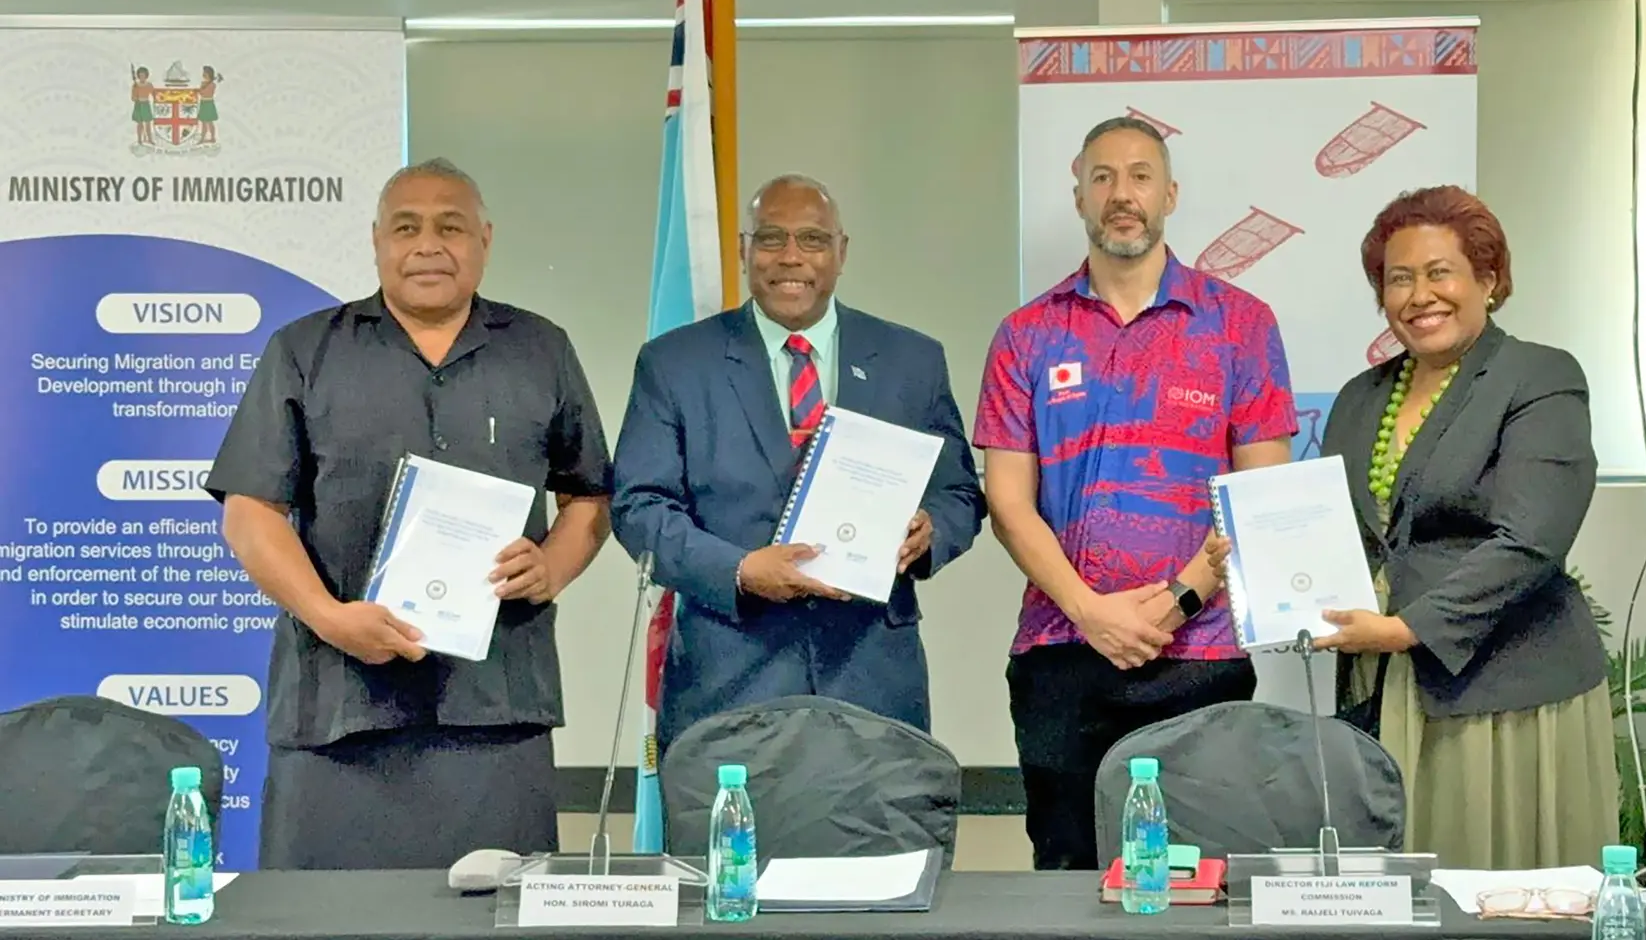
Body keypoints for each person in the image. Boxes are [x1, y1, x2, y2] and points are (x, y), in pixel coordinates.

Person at [205, 157, 614, 870]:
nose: (429, 245)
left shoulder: (541, 350)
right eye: (407, 227)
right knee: (321, 939)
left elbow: (590, 497)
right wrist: (332, 619)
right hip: (337, 710)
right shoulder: (303, 351)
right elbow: (250, 512)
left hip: (496, 713)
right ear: (376, 242)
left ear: (485, 238)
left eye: (450, 227)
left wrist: (552, 566)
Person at [1207, 184, 1618, 869]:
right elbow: (1337, 529)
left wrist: (1405, 631)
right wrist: (1254, 558)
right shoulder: (1360, 397)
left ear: (1487, 279)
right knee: (1396, 884)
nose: (1418, 295)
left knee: (1494, 892)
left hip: (1504, 691)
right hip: (1383, 684)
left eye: (1439, 272)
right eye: (1399, 279)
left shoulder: (1539, 378)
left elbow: (1531, 540)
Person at [974, 117, 1299, 870]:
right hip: (1062, 653)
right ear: (1080, 196)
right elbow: (1008, 502)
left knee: (1200, 882)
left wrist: (1179, 598)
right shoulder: (1026, 335)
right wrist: (1092, 613)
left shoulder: (1241, 325)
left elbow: (1263, 497)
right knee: (1067, 878)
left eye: (1141, 175)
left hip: (1202, 652)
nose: (1124, 194)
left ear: (1171, 194)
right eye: (1104, 177)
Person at [612, 173, 985, 754]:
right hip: (728, 675)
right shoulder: (676, 363)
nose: (791, 257)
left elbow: (960, 493)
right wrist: (739, 571)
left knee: (878, 843)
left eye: (812, 239)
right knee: (730, 844)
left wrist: (929, 530)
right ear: (743, 250)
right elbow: (639, 508)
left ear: (841, 252)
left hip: (872, 677)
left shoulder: (912, 361)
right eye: (771, 239)